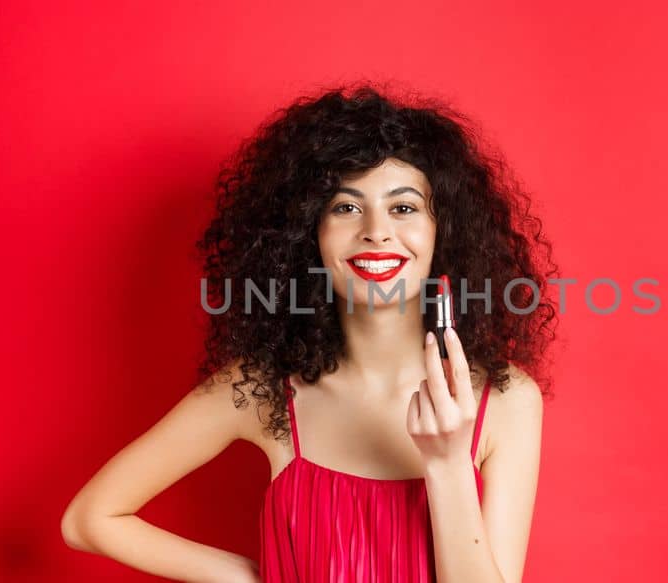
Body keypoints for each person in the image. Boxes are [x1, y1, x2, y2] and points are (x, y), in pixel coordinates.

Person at [61, 83, 558, 582]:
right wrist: (250, 578)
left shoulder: (507, 400)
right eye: (345, 207)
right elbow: (89, 521)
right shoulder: (261, 392)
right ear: (306, 235)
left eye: (403, 208)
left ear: (442, 232)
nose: (376, 230)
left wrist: (450, 463)